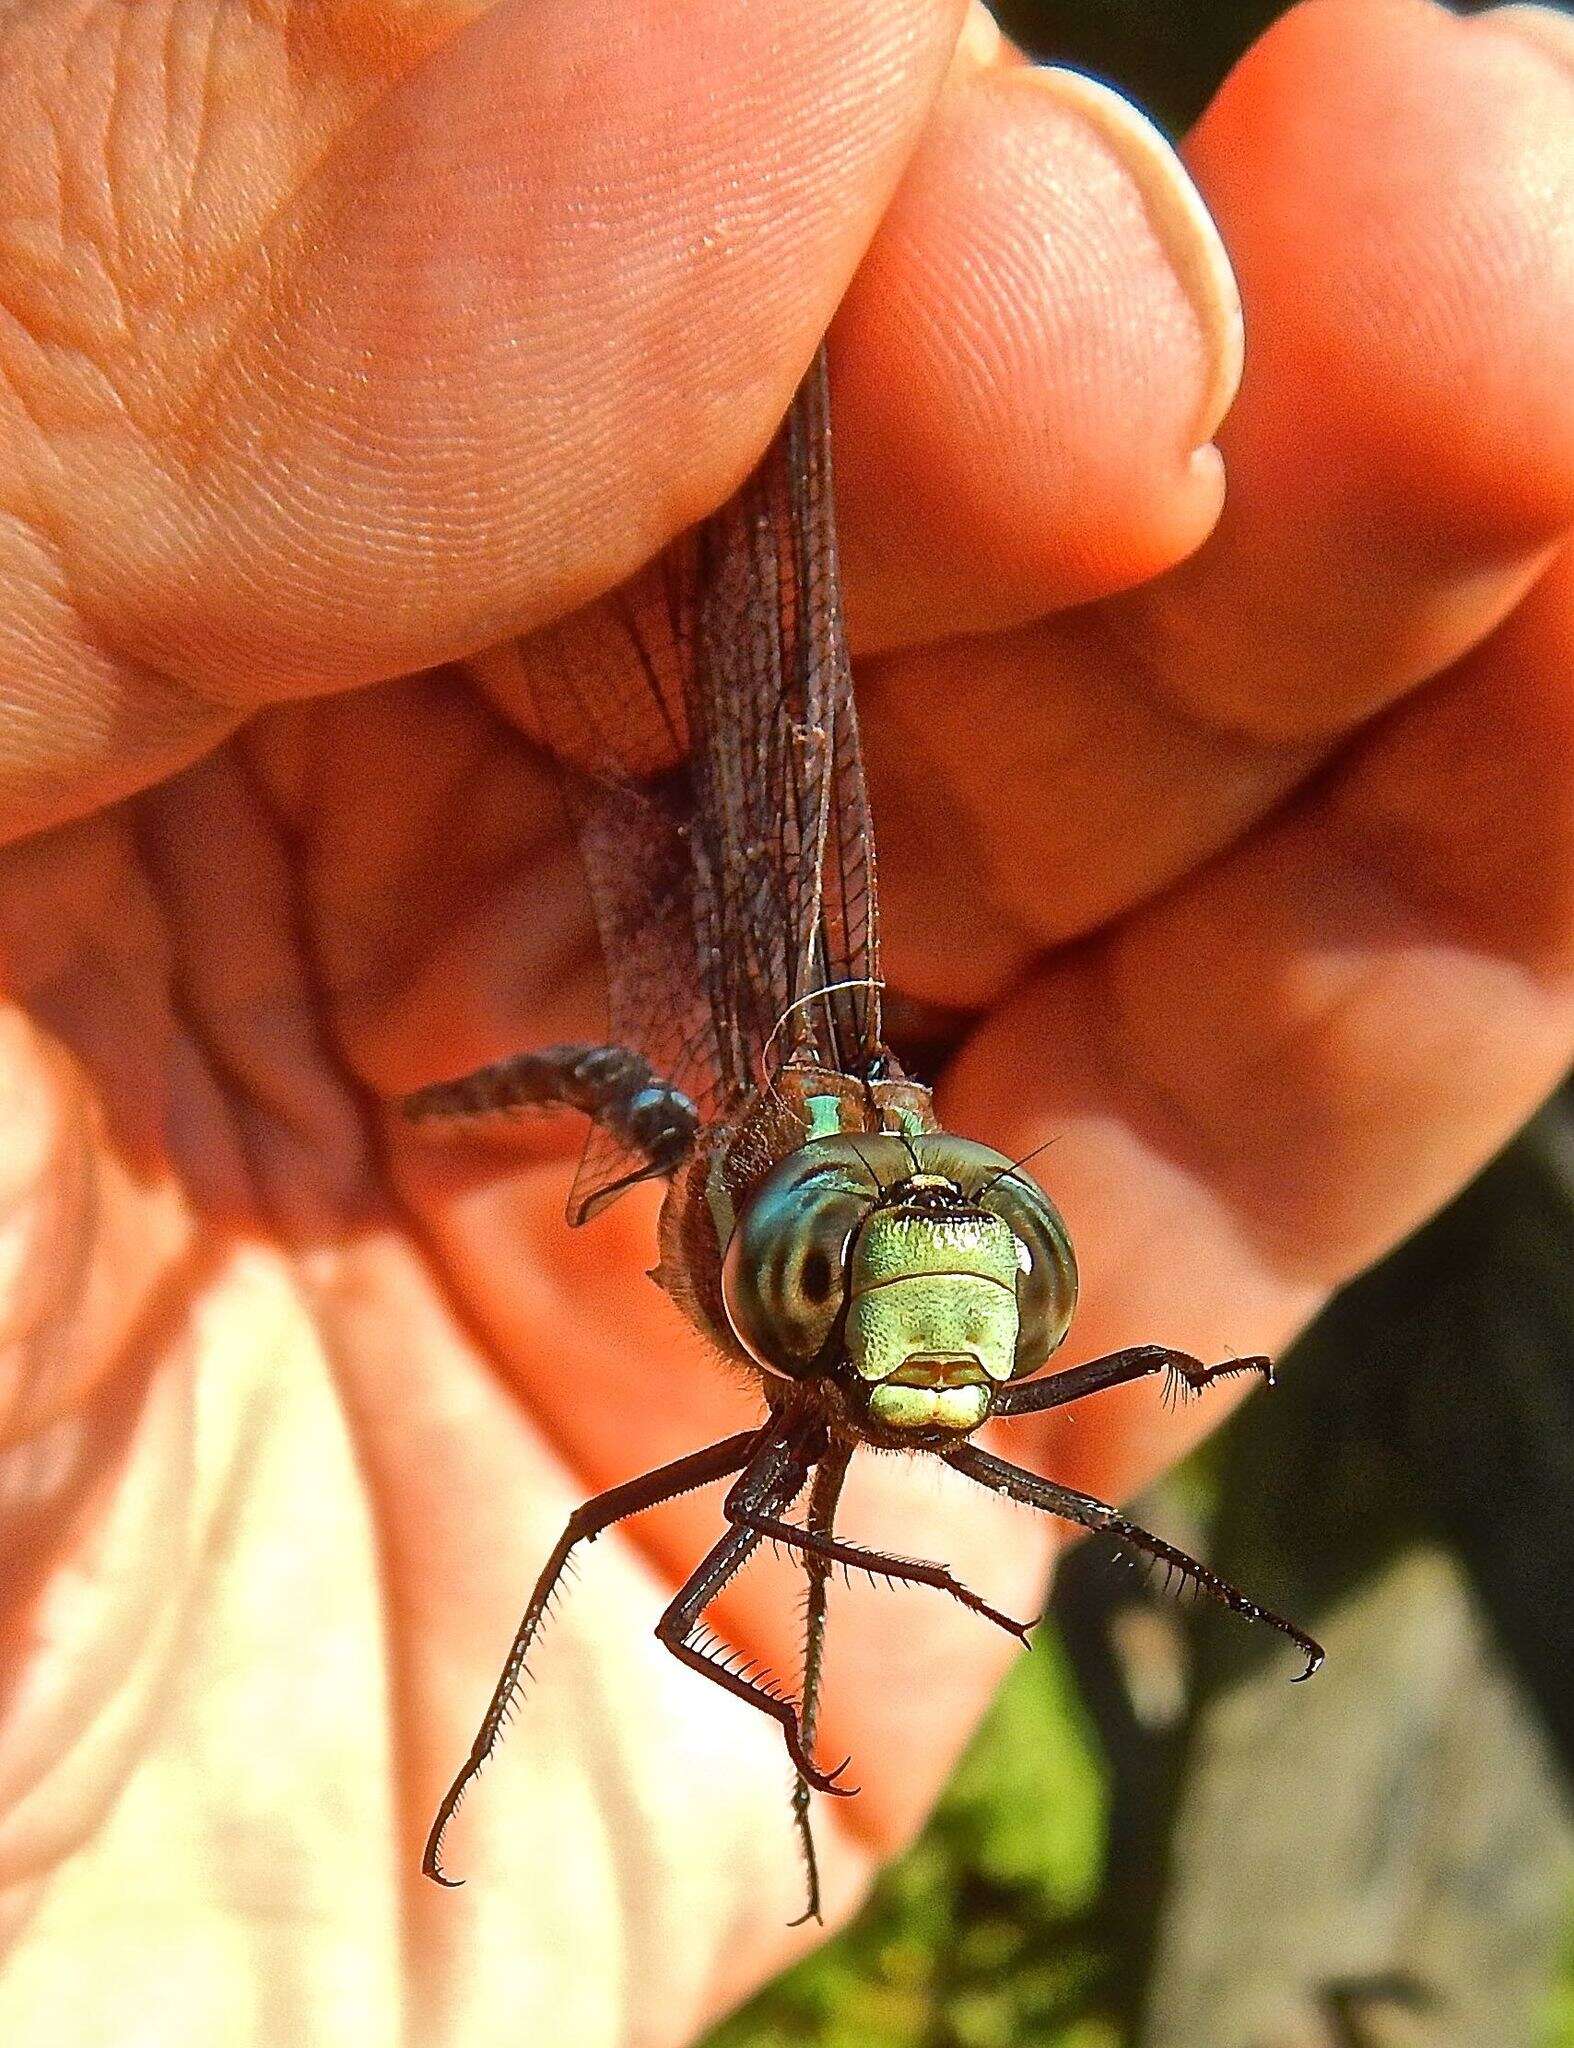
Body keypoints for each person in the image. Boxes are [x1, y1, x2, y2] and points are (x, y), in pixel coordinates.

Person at [0, 0, 1569, 2041]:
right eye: (885, 1299)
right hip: (618, 1046)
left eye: (996, 1297)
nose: (941, 1366)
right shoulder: (744, 1139)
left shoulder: (896, 1348)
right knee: (657, 1554)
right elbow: (698, 1576)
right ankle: (476, 1749)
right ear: (781, 1266)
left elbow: (1045, 1490)